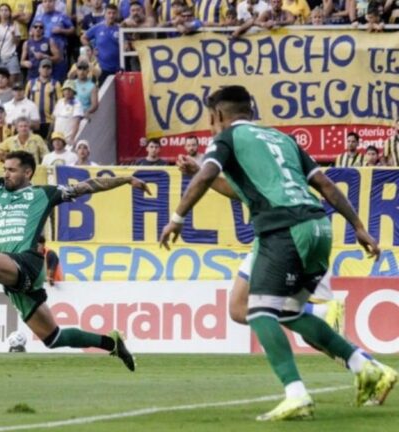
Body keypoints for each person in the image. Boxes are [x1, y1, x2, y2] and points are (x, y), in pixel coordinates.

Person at [159, 85, 392, 421]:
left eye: (211, 119)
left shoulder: (227, 139)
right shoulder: (282, 140)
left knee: (258, 311)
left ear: (219, 116)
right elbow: (324, 184)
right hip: (319, 227)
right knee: (289, 311)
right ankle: (364, 366)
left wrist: (177, 217)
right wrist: (358, 226)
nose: (211, 126)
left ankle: (296, 394)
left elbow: (210, 172)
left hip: (283, 229)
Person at [177, 152, 397, 408]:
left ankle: (320, 317)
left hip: (280, 236)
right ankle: (372, 369)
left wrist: (198, 179)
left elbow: (238, 189)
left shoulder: (242, 147)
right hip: (309, 228)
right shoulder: (277, 151)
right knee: (282, 321)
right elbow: (321, 186)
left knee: (251, 309)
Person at [0, 148, 149, 371]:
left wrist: (126, 180)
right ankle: (113, 344)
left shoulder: (44, 194)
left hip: (28, 262)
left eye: (11, 170)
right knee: (53, 337)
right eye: (5, 169)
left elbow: (89, 186)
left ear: (28, 172)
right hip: (11, 270)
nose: (6, 173)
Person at [81, 4, 121, 84]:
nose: (111, 15)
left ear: (116, 14)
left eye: (113, 13)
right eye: (109, 13)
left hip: (118, 68)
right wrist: (91, 49)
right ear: (105, 14)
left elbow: (127, 43)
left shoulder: (120, 28)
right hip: (102, 68)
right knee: (102, 93)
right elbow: (83, 37)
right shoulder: (98, 27)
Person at [51, 80, 84, 146]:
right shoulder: (60, 101)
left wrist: (72, 138)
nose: (67, 91)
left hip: (67, 139)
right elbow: (54, 119)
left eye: (70, 90)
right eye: (65, 89)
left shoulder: (77, 104)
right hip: (57, 137)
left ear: (74, 92)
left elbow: (77, 122)